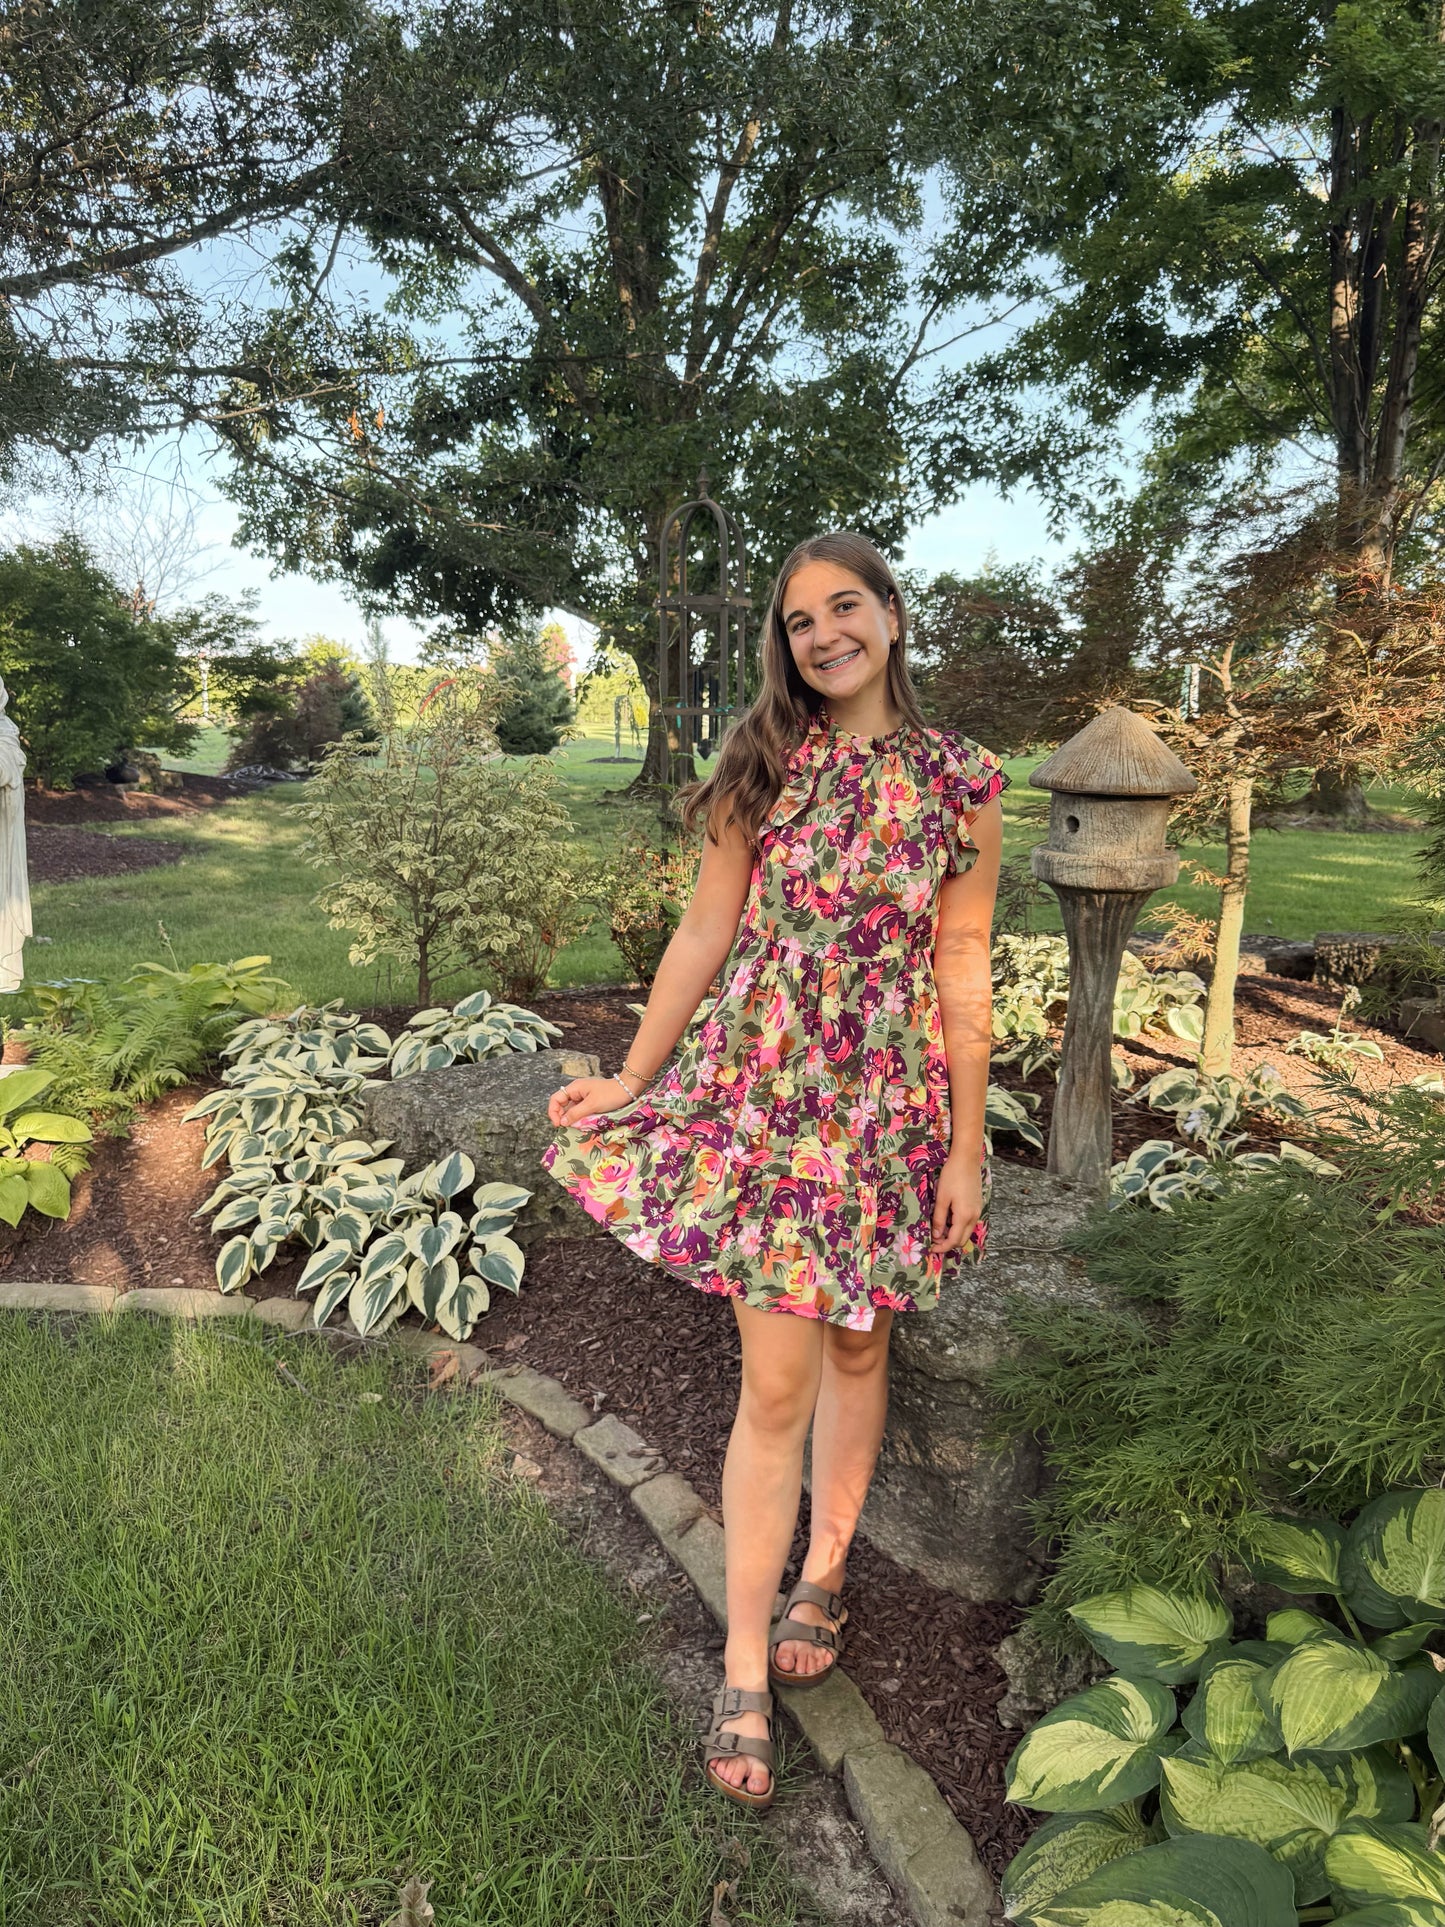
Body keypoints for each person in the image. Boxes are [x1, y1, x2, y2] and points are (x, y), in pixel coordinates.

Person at [542, 531, 1006, 1811]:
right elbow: (705, 932)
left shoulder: (961, 783)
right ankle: (744, 1658)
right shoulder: (764, 765)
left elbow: (961, 965)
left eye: (842, 607)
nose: (820, 635)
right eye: (798, 621)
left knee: (861, 1350)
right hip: (768, 1100)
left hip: (888, 1112)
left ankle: (828, 1569)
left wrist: (965, 1146)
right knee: (778, 1376)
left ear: (892, 620)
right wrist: (636, 1075)